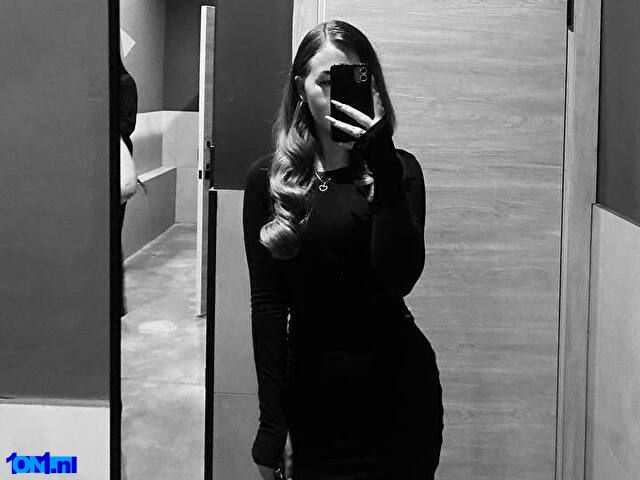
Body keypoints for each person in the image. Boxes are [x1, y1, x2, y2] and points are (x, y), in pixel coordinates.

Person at [242, 20, 443, 480]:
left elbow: (400, 278)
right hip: (314, 400)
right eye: (325, 81)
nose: (337, 95)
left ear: (372, 87)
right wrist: (272, 424)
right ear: (300, 88)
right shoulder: (269, 182)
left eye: (353, 79)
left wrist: (382, 164)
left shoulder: (400, 171)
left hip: (400, 395)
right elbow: (268, 306)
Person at [118, 56, 138, 317]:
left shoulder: (125, 82)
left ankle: (116, 302)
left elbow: (127, 125)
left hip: (119, 162)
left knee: (113, 235)